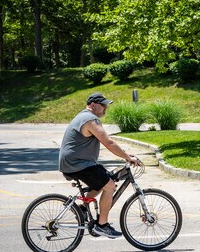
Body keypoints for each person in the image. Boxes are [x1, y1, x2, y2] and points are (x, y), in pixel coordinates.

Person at [58, 92, 141, 238]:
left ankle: (82, 208)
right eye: (103, 105)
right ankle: (102, 226)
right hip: (77, 164)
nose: (105, 108)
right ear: (92, 105)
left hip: (75, 163)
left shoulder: (83, 117)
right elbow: (108, 142)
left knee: (107, 178)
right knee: (109, 186)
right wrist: (128, 157)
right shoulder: (90, 119)